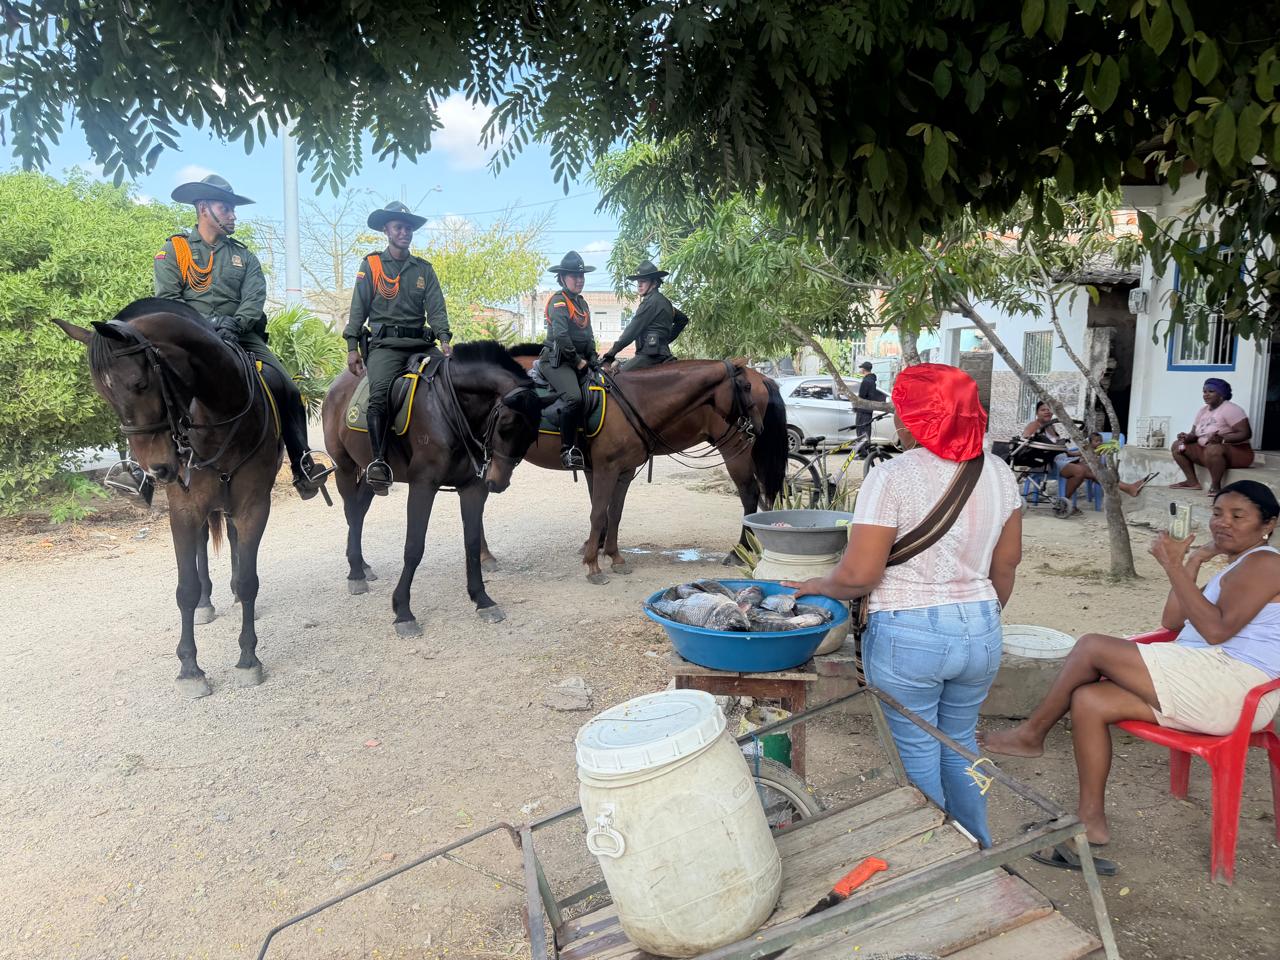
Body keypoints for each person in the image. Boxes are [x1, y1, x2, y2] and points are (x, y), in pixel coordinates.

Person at [982, 480, 1280, 874]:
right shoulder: (1238, 565)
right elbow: (1173, 620)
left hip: (1235, 688)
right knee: (1089, 700)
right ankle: (1091, 821)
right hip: (1206, 677)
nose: (1222, 523)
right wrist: (1190, 564)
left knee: (1092, 646)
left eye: (1238, 516)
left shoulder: (1266, 562)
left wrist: (1173, 566)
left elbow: (1216, 632)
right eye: (1217, 513)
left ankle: (1031, 734)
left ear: (1269, 524)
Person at [784, 363, 1023, 846]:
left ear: (916, 418)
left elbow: (860, 575)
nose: (897, 420)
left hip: (908, 635)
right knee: (958, 745)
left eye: (901, 410)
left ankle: (933, 856)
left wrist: (817, 583)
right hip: (981, 628)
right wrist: (976, 620)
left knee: (917, 753)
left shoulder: (893, 476)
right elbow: (1007, 566)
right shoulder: (999, 472)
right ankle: (976, 845)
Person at [154, 174, 332, 499]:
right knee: (149, 382)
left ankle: (301, 464)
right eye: (226, 208)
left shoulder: (244, 256)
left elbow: (254, 296)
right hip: (189, 339)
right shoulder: (174, 250)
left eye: (233, 209)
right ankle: (144, 473)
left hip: (241, 335)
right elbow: (168, 299)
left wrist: (235, 323)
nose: (233, 215)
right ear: (204, 208)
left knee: (286, 387)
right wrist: (204, 326)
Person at [343, 201, 452, 493]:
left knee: (451, 383)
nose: (405, 232)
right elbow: (358, 310)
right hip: (385, 346)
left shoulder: (423, 270)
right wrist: (352, 346)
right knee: (379, 395)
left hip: (420, 343)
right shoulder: (372, 265)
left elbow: (437, 310)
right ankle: (378, 462)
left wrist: (444, 341)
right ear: (386, 230)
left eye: (408, 228)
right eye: (398, 227)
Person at [541, 251, 601, 468]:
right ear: (562, 277)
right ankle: (567, 450)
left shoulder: (582, 303)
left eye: (582, 275)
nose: (579, 279)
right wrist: (577, 361)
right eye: (574, 275)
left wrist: (593, 357)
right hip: (558, 361)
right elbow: (561, 336)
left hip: (582, 360)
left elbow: (589, 335)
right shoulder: (559, 302)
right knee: (574, 397)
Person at [1171, 378, 1254, 495]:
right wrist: (1186, 437)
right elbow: (1194, 434)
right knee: (1177, 445)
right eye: (1204, 392)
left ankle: (1215, 487)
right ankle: (1192, 482)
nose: (1206, 395)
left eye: (1211, 391)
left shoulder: (1231, 409)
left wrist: (1223, 439)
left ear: (1221, 394)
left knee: (1213, 448)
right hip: (1207, 451)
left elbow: (1245, 433)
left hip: (1238, 454)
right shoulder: (1203, 411)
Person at [602, 260, 687, 370]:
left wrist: (611, 353)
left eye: (643, 281)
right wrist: (665, 340)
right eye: (638, 282)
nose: (639, 285)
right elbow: (683, 320)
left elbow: (631, 331)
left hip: (649, 356)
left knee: (618, 379)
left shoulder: (650, 302)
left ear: (654, 283)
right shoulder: (666, 303)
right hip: (663, 354)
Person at [1058, 432, 1157, 503]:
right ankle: (1129, 488)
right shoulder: (1086, 449)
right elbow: (1074, 454)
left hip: (1093, 468)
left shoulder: (1101, 450)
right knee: (1100, 475)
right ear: (1090, 442)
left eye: (1100, 441)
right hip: (1082, 467)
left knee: (1103, 474)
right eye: (1096, 441)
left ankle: (1130, 487)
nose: (1099, 443)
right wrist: (1067, 452)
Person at [855, 361, 885, 444]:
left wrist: (856, 405)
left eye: (861, 368)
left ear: (864, 369)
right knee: (866, 430)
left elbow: (861, 396)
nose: (860, 370)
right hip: (868, 410)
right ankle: (866, 450)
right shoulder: (872, 380)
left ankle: (863, 452)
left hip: (863, 409)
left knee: (861, 431)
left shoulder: (866, 381)